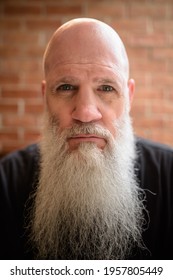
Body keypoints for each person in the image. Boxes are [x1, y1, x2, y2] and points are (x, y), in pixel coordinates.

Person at [0, 18, 173, 260]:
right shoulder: (6, 182)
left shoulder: (169, 176)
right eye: (66, 87)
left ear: (129, 97)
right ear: (44, 96)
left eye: (106, 88)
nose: (85, 113)